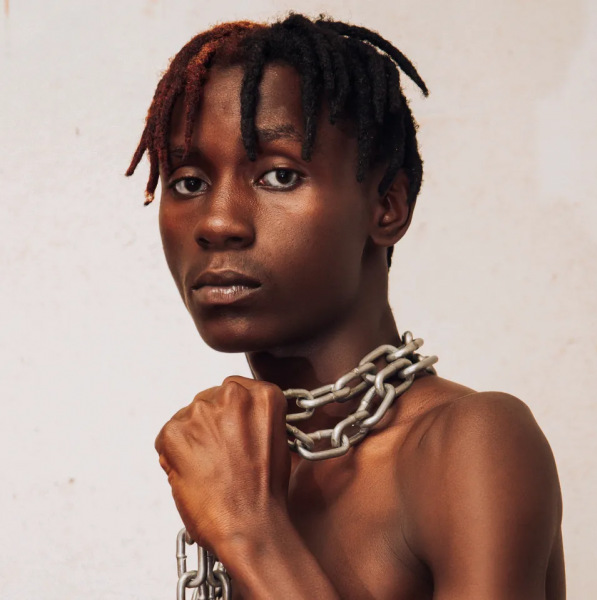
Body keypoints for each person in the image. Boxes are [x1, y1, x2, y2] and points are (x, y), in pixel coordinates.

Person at [126, 13, 565, 599]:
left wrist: (250, 533)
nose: (218, 222)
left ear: (388, 206)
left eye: (280, 175)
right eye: (187, 182)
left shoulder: (470, 442)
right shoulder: (243, 462)